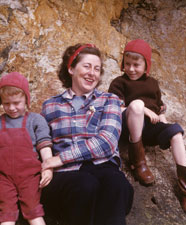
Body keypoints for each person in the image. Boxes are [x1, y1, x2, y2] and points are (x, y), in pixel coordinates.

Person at [40, 44, 134, 225]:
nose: (92, 73)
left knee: (118, 185)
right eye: (87, 66)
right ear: (71, 68)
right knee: (84, 184)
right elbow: (42, 143)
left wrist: (60, 158)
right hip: (67, 175)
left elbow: (107, 142)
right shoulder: (50, 106)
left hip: (102, 166)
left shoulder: (109, 100)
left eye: (97, 69)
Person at [108, 39, 186, 216]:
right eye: (127, 64)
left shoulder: (153, 84)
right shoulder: (118, 83)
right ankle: (138, 161)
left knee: (176, 133)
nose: (131, 69)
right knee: (136, 105)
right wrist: (144, 109)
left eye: (136, 65)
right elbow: (115, 108)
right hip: (130, 127)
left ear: (146, 65)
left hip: (150, 128)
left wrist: (164, 127)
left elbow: (159, 108)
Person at [0, 72, 53, 225]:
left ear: (26, 99)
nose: (12, 108)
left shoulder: (35, 120)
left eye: (17, 103)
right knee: (6, 215)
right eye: (6, 104)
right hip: (3, 178)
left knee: (33, 211)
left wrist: (48, 168)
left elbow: (45, 147)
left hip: (30, 177)